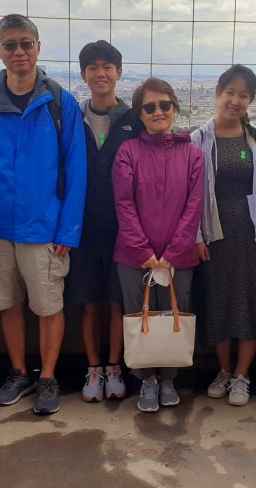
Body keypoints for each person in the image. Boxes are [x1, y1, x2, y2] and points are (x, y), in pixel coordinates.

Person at [0, 14, 87, 415]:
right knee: (8, 304)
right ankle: (18, 371)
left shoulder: (60, 101)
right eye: (10, 44)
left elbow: (76, 169)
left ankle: (47, 375)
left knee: (49, 307)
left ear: (38, 46)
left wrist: (68, 230)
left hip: (44, 228)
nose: (19, 51)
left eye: (25, 43)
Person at [113, 77, 204, 413]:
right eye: (149, 107)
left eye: (164, 105)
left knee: (173, 315)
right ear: (139, 113)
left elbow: (194, 206)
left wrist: (172, 252)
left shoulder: (192, 154)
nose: (157, 111)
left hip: (177, 256)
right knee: (141, 315)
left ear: (174, 108)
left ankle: (169, 377)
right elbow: (124, 203)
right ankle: (146, 379)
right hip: (135, 256)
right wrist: (145, 252)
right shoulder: (128, 152)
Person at [192, 65, 256, 406]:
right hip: (214, 233)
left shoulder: (255, 140)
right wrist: (198, 236)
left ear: (251, 100)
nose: (235, 100)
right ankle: (224, 370)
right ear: (217, 93)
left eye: (243, 95)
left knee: (249, 301)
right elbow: (192, 193)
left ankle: (243, 374)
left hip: (250, 233)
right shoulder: (198, 139)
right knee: (218, 300)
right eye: (230, 92)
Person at [67, 40, 142, 402]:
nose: (101, 73)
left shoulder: (134, 121)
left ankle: (114, 365)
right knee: (87, 301)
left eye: (108, 66)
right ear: (83, 75)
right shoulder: (71, 120)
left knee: (116, 301)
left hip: (122, 227)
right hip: (80, 225)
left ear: (119, 73)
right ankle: (93, 367)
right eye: (93, 67)